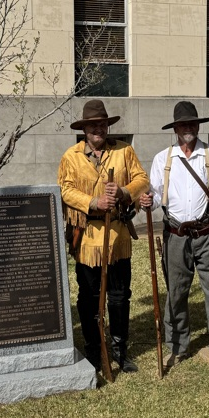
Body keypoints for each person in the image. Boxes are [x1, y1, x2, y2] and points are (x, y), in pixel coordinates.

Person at [139, 101, 209, 379]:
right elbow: (156, 196)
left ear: (198, 126)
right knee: (176, 294)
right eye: (183, 125)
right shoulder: (163, 158)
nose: (188, 129)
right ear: (175, 129)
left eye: (192, 124)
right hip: (175, 235)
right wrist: (148, 200)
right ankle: (177, 346)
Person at [58, 99, 149, 373]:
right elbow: (65, 190)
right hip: (86, 238)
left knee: (120, 296)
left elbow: (142, 180)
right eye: (93, 125)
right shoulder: (70, 156)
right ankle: (95, 350)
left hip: (117, 237)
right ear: (84, 129)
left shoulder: (124, 151)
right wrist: (93, 202)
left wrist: (122, 192)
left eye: (103, 124)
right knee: (89, 296)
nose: (99, 129)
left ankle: (120, 350)